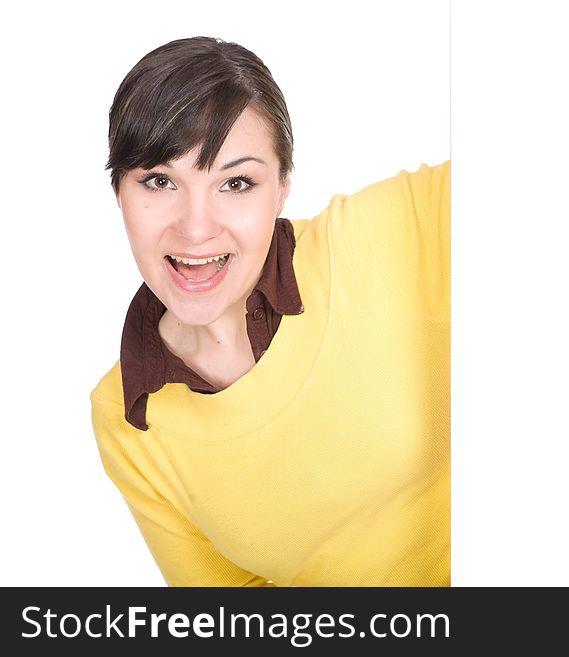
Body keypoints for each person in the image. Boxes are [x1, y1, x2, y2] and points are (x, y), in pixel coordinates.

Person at [90, 37, 450, 587]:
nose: (195, 228)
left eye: (236, 183)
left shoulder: (398, 228)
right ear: (119, 192)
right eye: (160, 181)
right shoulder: (124, 416)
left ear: (282, 189)